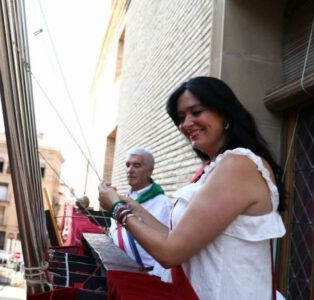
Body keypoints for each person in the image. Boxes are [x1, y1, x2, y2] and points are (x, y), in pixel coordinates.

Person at [98, 76, 286, 299]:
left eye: (196, 112)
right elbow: (176, 237)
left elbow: (170, 252)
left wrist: (117, 209)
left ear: (224, 112)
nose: (186, 124)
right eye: (181, 117)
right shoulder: (217, 167)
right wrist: (130, 204)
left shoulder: (238, 165)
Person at [107, 148, 172, 277]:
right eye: (128, 165)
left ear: (149, 171)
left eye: (136, 165)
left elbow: (165, 245)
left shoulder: (163, 204)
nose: (130, 170)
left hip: (144, 275)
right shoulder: (122, 198)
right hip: (115, 268)